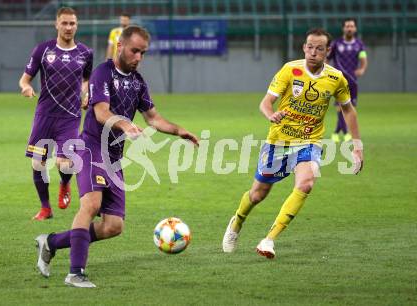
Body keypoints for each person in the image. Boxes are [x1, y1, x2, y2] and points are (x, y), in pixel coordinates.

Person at [35, 25, 199, 288]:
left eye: (143, 53)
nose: (139, 58)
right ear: (120, 46)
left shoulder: (138, 82)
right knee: (91, 205)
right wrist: (125, 124)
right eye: (135, 51)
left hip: (113, 156)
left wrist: (179, 131)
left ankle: (51, 242)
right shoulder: (103, 72)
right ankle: (75, 272)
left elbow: (153, 117)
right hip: (91, 147)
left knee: (113, 226)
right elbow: (100, 111)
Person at [222, 28, 363, 259]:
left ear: (328, 51)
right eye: (310, 46)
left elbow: (348, 110)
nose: (313, 52)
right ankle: (237, 221)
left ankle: (269, 240)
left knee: (307, 183)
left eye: (319, 48)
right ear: (304, 47)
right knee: (257, 195)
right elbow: (266, 102)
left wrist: (357, 145)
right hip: (279, 141)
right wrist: (270, 115)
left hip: (309, 141)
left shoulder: (336, 78)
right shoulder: (290, 70)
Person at [19, 7, 93, 220]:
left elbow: (86, 80)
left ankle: (65, 183)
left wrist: (86, 94)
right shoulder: (43, 50)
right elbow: (25, 78)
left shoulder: (85, 53)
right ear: (56, 24)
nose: (69, 27)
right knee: (37, 163)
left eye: (72, 23)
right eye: (65, 23)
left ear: (77, 25)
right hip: (44, 114)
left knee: (65, 163)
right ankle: (45, 208)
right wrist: (26, 87)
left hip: (70, 116)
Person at [328, 18, 368, 143]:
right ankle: (345, 133)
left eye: (351, 26)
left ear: (355, 28)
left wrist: (362, 69)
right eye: (347, 26)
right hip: (338, 80)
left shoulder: (359, 44)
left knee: (351, 107)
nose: (349, 28)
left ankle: (336, 132)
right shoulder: (336, 43)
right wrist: (326, 71)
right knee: (340, 107)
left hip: (352, 81)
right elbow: (327, 58)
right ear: (343, 28)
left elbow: (363, 58)